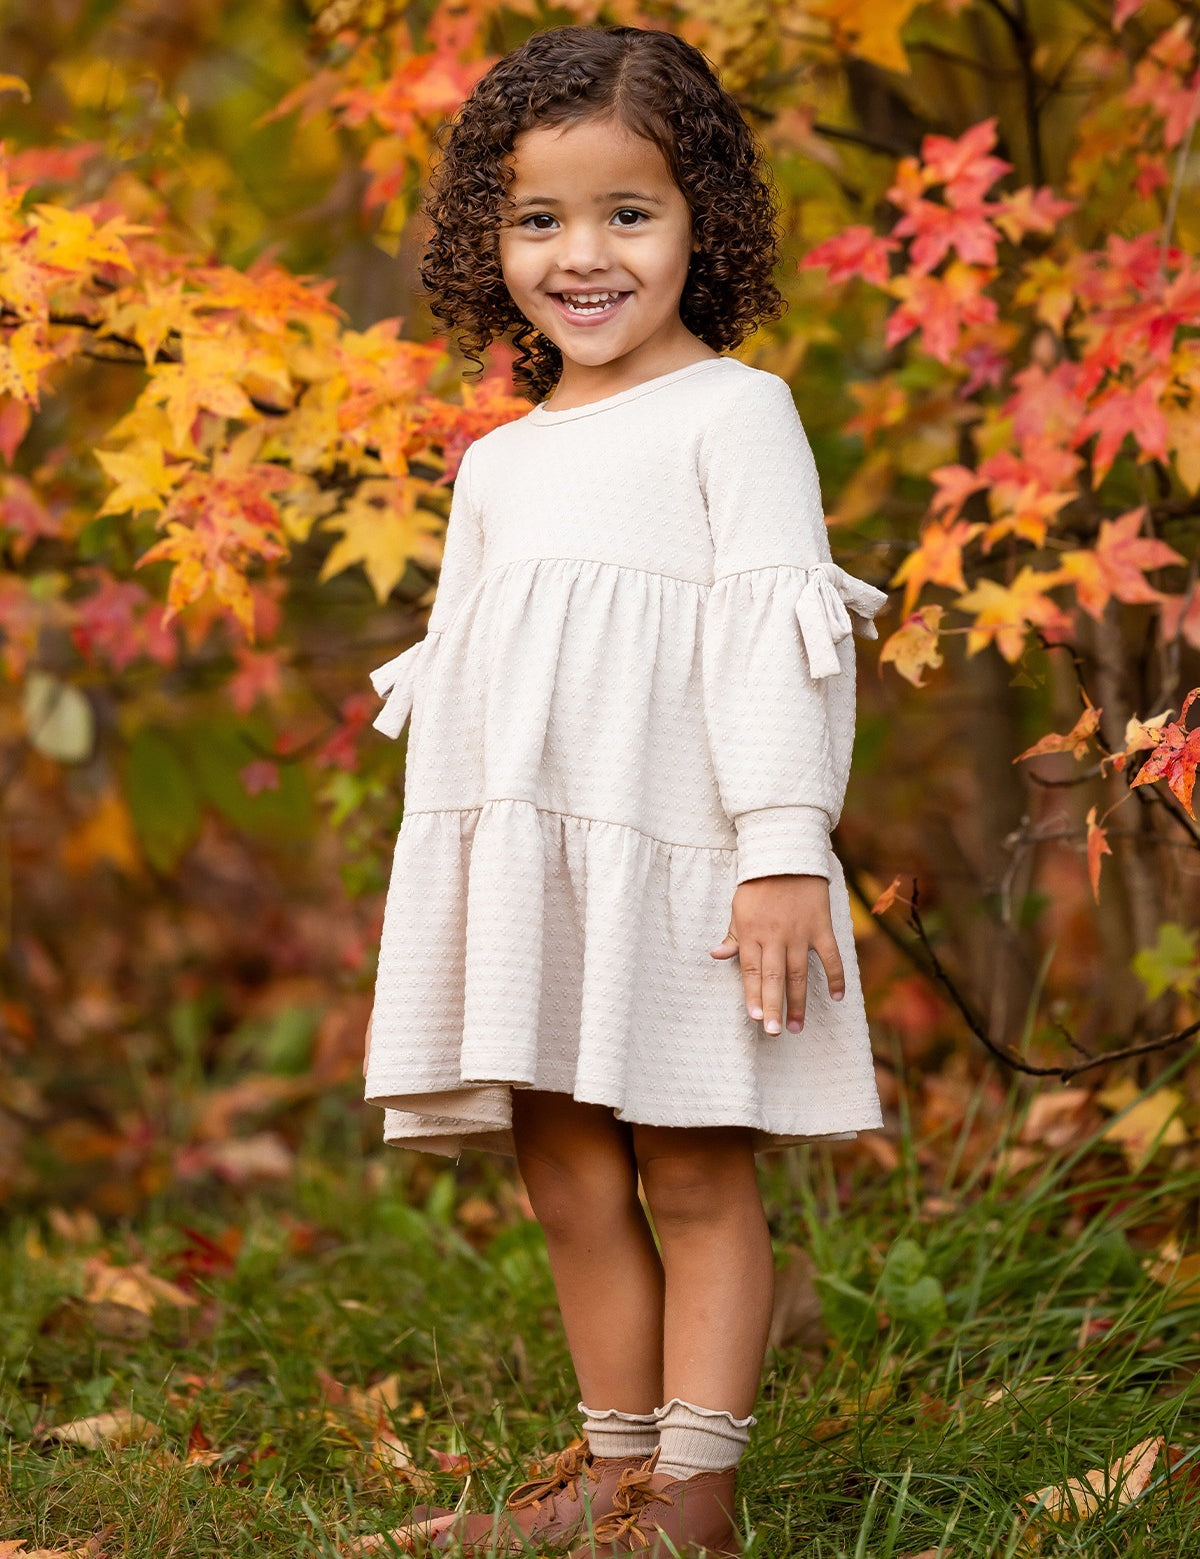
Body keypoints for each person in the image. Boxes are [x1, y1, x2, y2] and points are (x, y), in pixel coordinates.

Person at [355, 22, 887, 1558]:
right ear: (490, 239)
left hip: (690, 861)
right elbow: (469, 681)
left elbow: (779, 637)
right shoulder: (498, 464)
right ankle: (612, 1466)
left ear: (699, 219)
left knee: (691, 1157)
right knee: (567, 1170)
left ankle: (697, 1489)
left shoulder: (738, 412)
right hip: (537, 877)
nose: (581, 256)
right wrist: (459, 899)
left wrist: (784, 848)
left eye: (626, 214)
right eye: (539, 220)